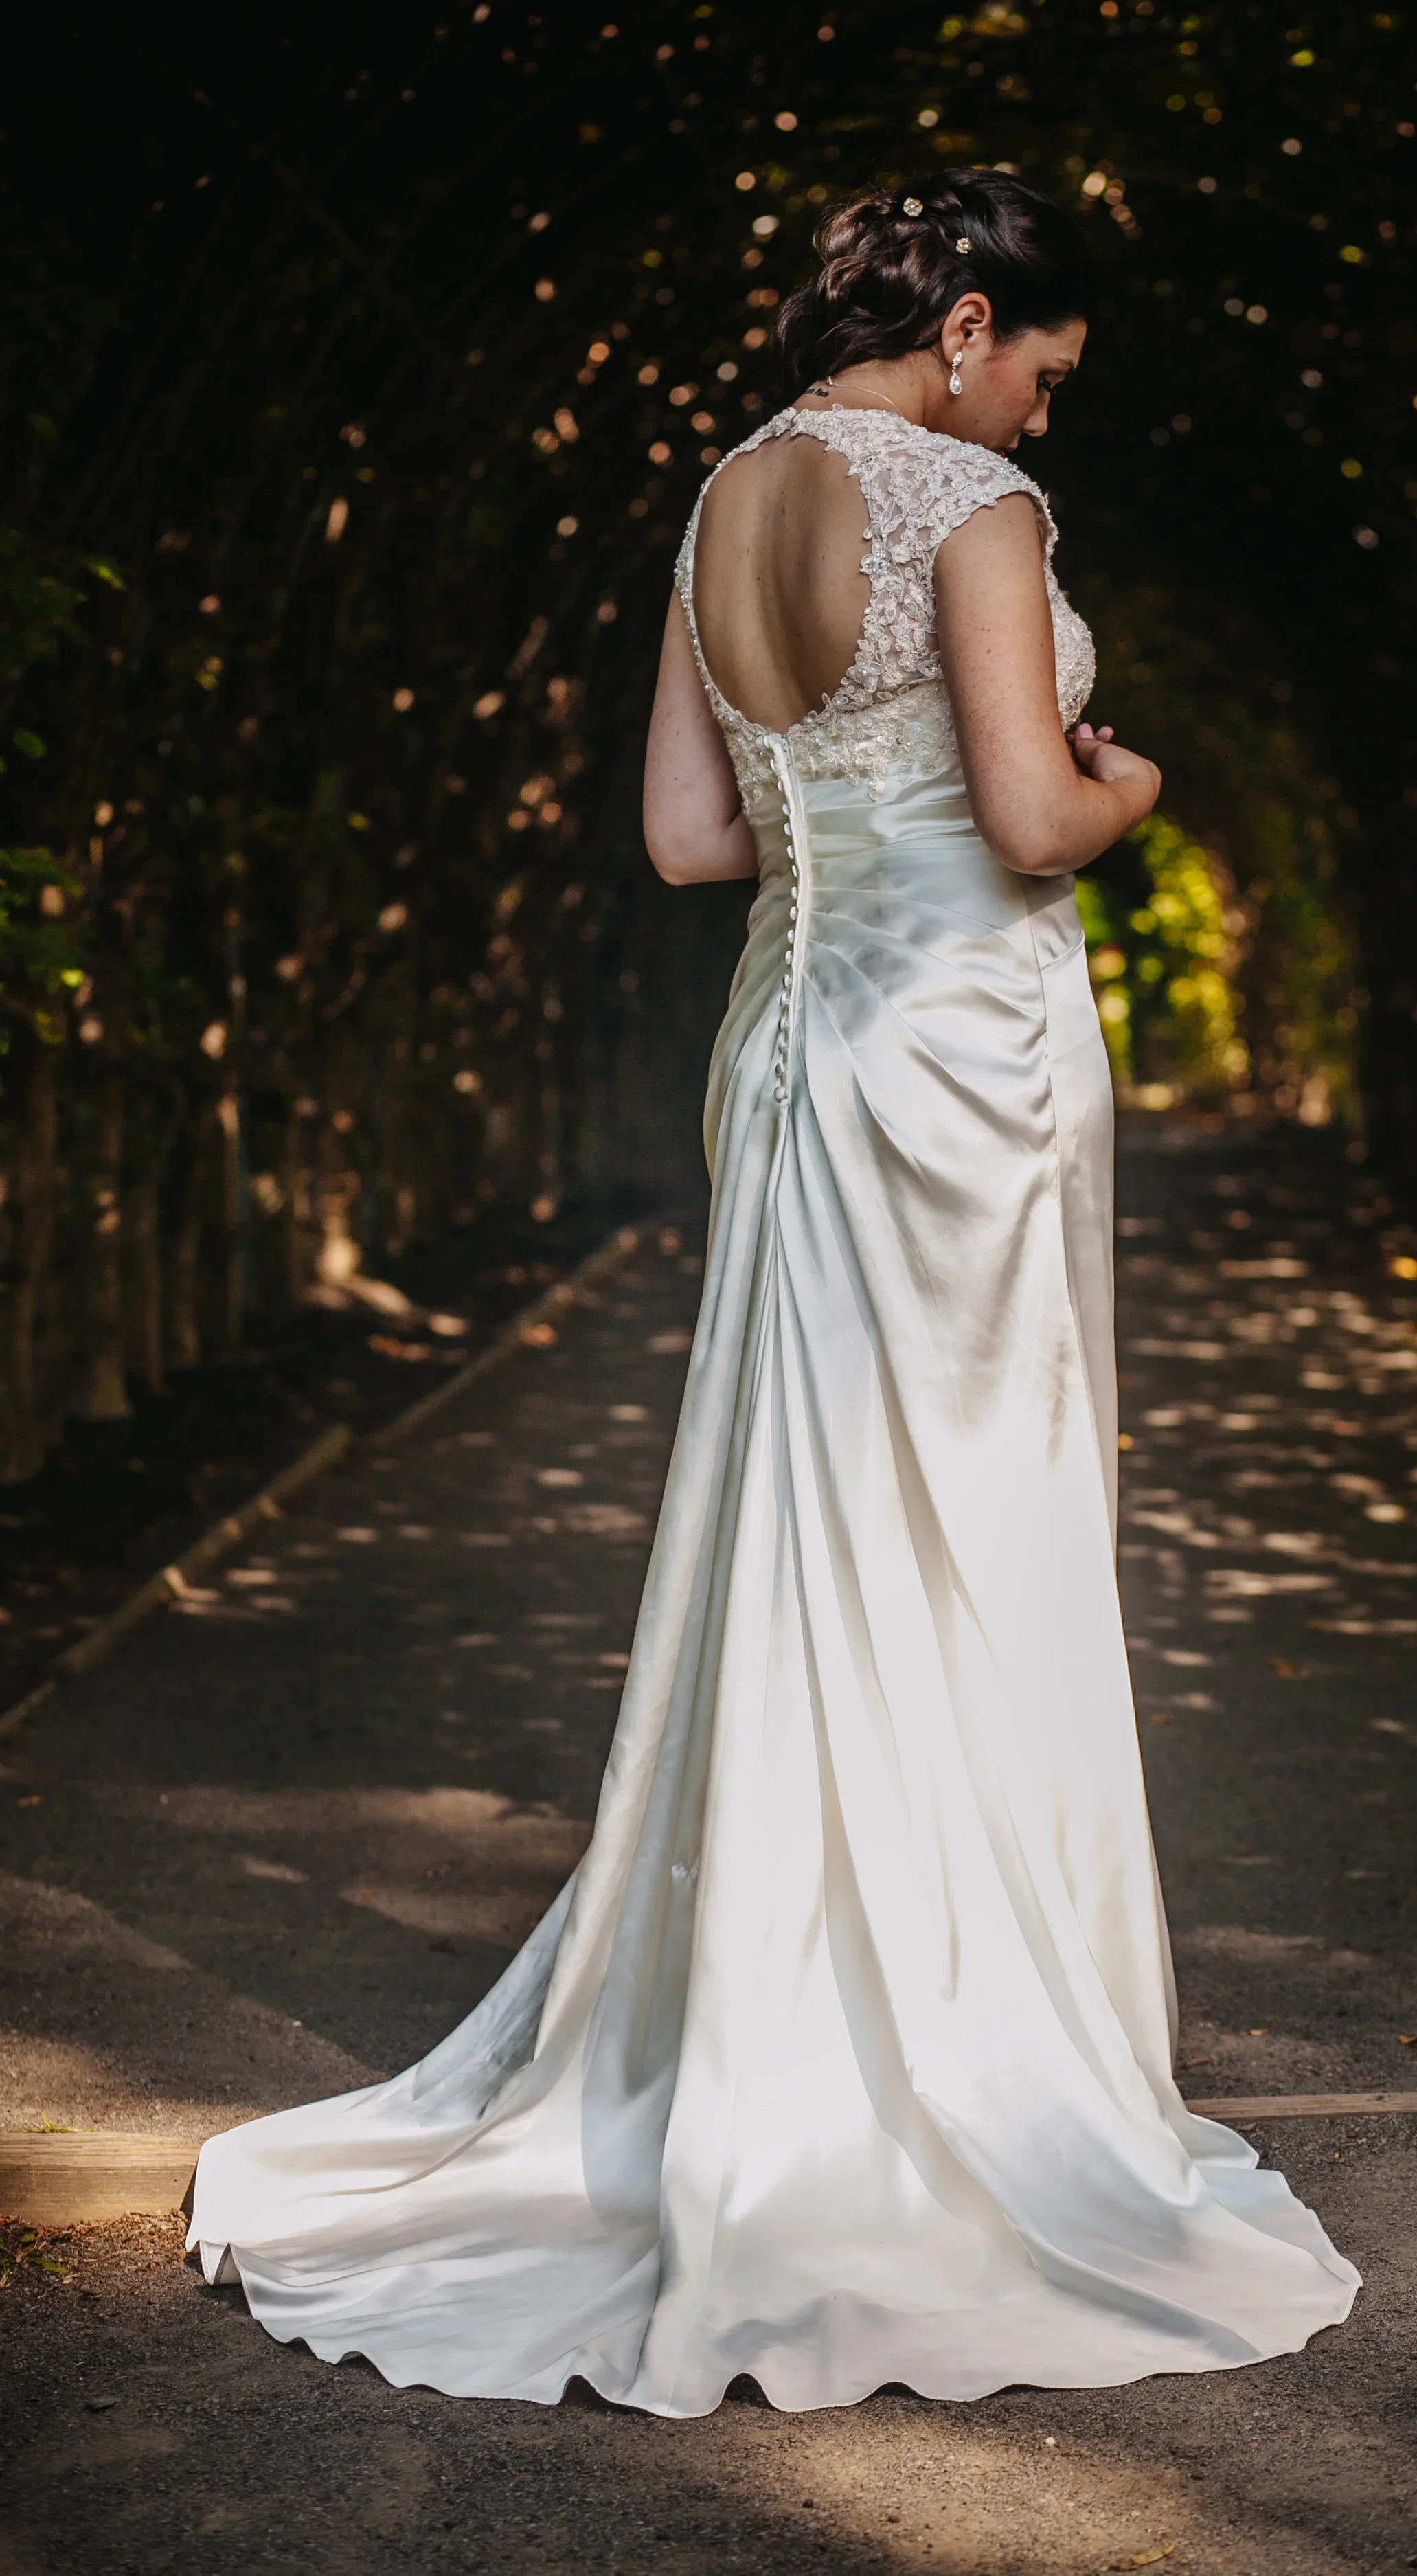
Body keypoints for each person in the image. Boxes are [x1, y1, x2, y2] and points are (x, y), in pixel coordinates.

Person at [188, 168, 1358, 2415]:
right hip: (959, 1048)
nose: (1040, 426)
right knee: (975, 1529)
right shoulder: (967, 515)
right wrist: (1132, 786)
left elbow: (689, 841)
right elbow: (1022, 813)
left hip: (795, 1034)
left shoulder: (724, 499)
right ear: (966, 325)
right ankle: (953, 2048)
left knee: (797, 1526)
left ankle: (775, 2012)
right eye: (1039, 375)